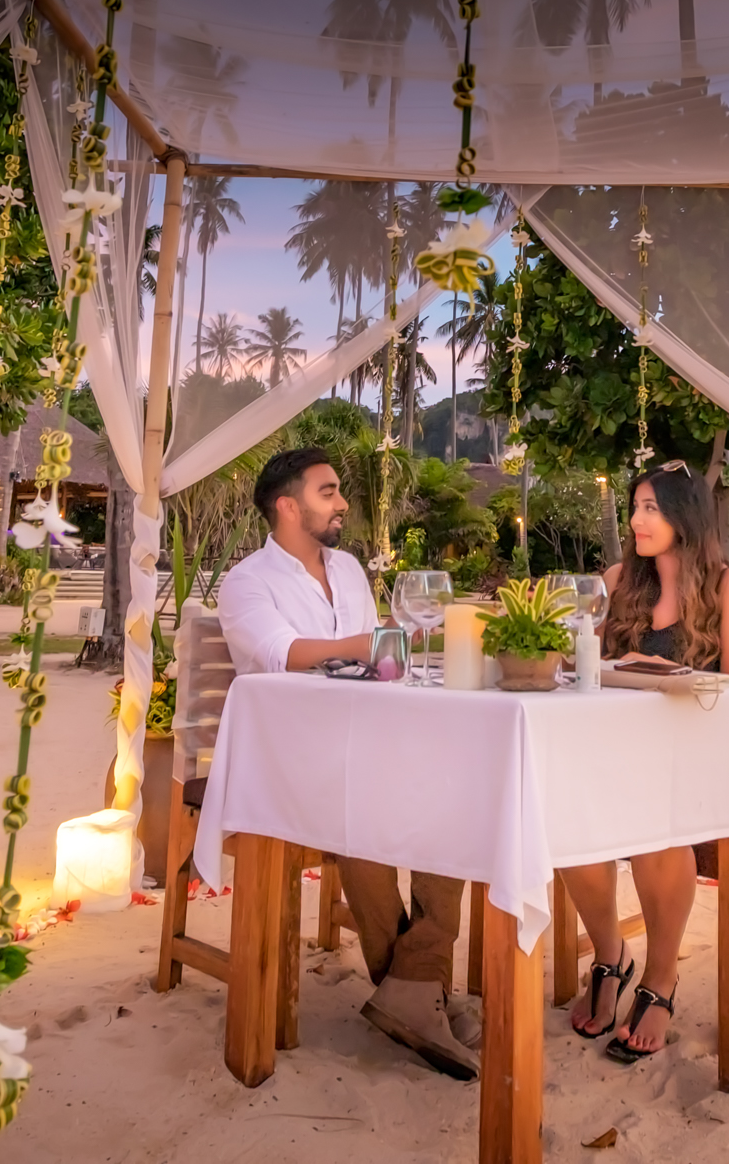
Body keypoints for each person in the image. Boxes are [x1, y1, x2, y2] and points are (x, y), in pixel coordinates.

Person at [214, 447, 479, 1081]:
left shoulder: (352, 568)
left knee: (457, 799)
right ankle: (421, 987)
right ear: (288, 505)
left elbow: (378, 661)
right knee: (365, 808)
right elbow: (280, 654)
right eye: (328, 492)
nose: (342, 504)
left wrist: (392, 652)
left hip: (366, 741)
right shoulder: (248, 581)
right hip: (292, 760)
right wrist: (368, 643)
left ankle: (413, 987)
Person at [562, 461, 729, 1063]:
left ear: (684, 516)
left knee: (656, 826)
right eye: (636, 507)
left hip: (697, 752)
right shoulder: (620, 579)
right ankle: (609, 955)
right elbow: (586, 668)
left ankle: (662, 975)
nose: (638, 519)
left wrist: (675, 675)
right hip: (622, 753)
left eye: (652, 507)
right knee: (568, 821)